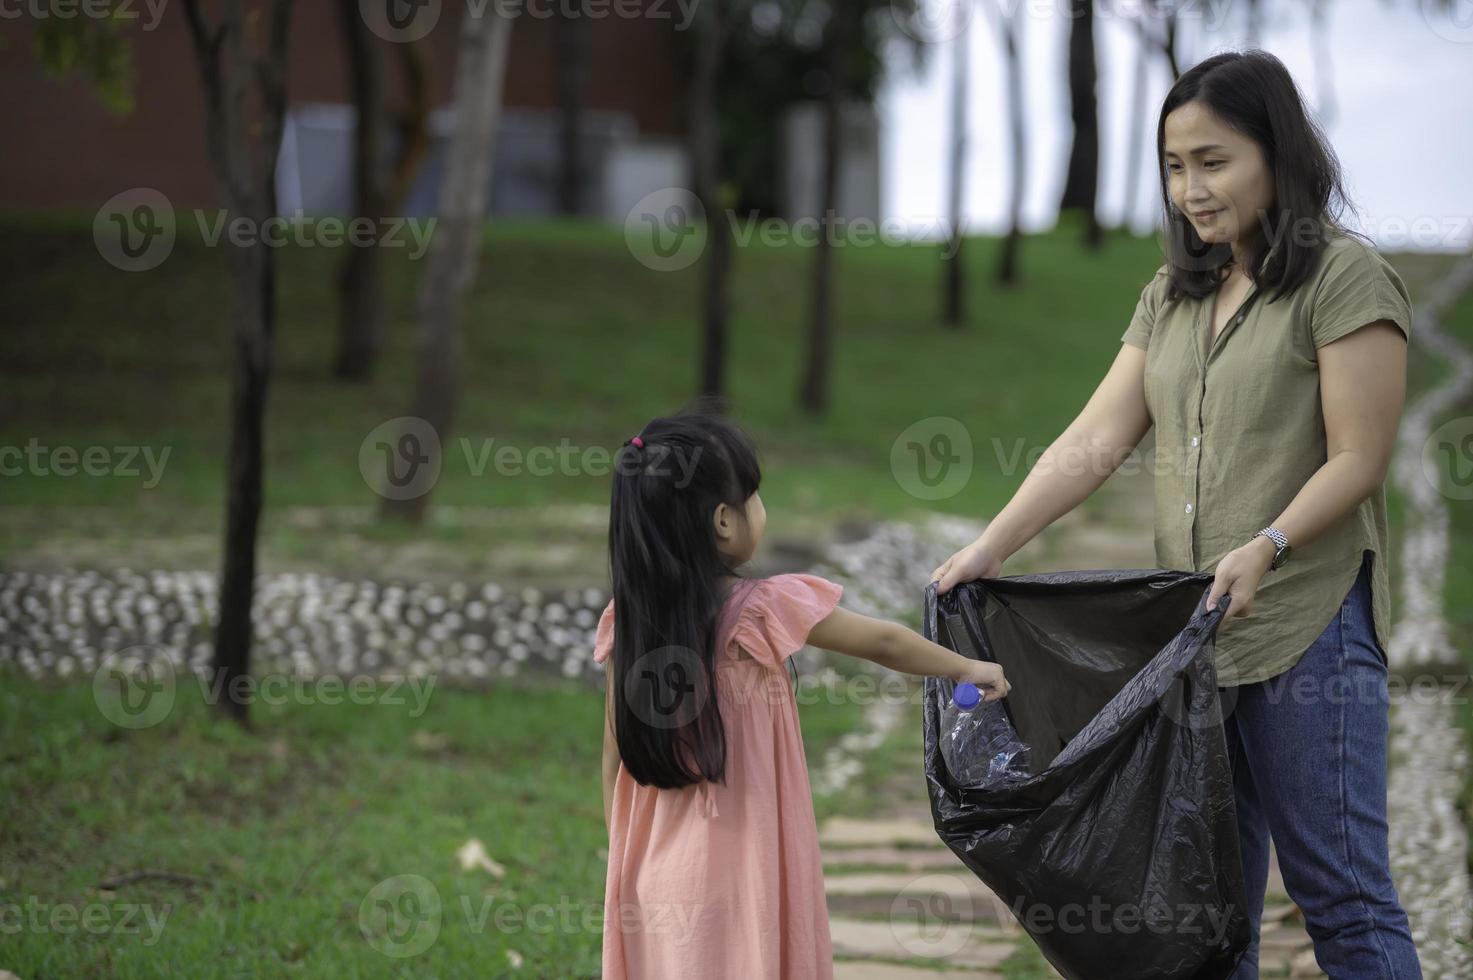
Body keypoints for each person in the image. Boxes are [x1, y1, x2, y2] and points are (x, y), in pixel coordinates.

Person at [929, 50, 1421, 979]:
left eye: (1213, 160)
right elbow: (1093, 439)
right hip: (1191, 641)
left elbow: (1360, 456)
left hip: (1304, 628)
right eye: (1173, 165)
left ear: (1276, 153)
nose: (1191, 188)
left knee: (1343, 902)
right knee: (1201, 916)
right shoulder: (1172, 293)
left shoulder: (1343, 279)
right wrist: (988, 548)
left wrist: (1267, 545)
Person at [595, 408, 1009, 979]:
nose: (761, 508)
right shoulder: (760, 610)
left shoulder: (626, 626)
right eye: (754, 496)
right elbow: (883, 642)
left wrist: (624, 853)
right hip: (743, 874)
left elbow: (614, 757)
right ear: (722, 521)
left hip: (656, 872)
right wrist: (965, 667)